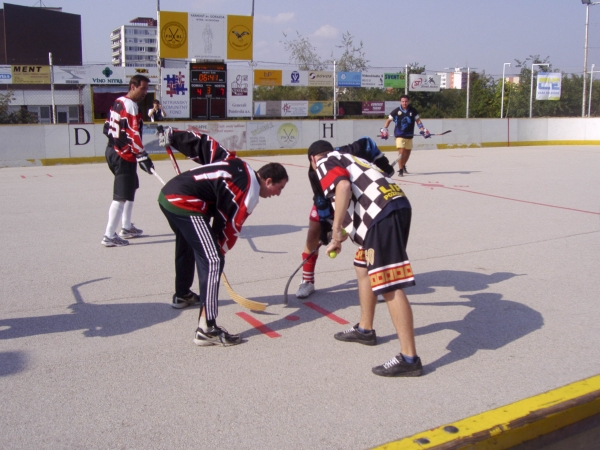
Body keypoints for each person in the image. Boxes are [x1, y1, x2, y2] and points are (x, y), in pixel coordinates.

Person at [157, 127, 289, 346]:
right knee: (213, 260)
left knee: (190, 244)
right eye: (279, 187)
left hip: (168, 197)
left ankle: (182, 294)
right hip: (185, 204)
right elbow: (232, 228)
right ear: (268, 181)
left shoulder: (236, 163)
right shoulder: (250, 193)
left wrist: (174, 135)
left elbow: (206, 145)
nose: (278, 193)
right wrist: (219, 249)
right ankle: (207, 329)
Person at [307, 140, 422, 377]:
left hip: (382, 214)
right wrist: (343, 232)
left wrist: (335, 232)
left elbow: (343, 187)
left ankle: (409, 358)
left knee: (389, 283)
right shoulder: (349, 157)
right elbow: (357, 194)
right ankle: (365, 329)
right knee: (362, 266)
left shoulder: (324, 162)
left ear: (312, 159)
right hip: (394, 205)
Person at [295, 137, 394, 299]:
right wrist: (327, 227)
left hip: (360, 197)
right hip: (333, 199)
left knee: (369, 237)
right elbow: (321, 200)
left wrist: (385, 167)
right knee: (313, 232)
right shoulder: (313, 173)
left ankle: (380, 283)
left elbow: (368, 143)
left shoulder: (347, 152)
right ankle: (307, 280)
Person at [101, 74, 154, 247]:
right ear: (133, 86)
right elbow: (133, 133)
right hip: (123, 155)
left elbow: (106, 127)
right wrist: (142, 155)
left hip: (112, 150)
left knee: (131, 188)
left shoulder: (118, 102)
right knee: (121, 196)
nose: (145, 92)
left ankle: (126, 227)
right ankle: (109, 235)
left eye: (146, 89)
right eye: (142, 88)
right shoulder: (130, 105)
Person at [380, 94, 430, 176]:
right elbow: (388, 120)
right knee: (401, 153)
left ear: (408, 101)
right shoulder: (396, 111)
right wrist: (384, 129)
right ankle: (400, 170)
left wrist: (423, 130)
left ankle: (403, 165)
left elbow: (418, 121)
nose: (404, 103)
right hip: (399, 135)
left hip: (409, 135)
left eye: (406, 101)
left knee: (407, 153)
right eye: (403, 101)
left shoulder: (413, 110)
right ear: (400, 102)